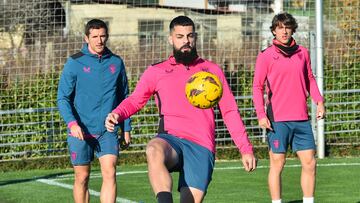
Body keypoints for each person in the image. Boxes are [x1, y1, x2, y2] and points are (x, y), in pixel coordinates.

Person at [105, 15, 256, 203]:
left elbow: (229, 111)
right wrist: (117, 113)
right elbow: (136, 100)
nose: (186, 41)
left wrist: (245, 148)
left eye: (190, 36)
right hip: (171, 139)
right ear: (171, 39)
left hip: (201, 144)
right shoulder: (157, 71)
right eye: (180, 36)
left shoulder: (212, 71)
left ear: (195, 38)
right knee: (153, 149)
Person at [252, 12, 325, 203]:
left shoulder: (303, 53)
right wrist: (261, 114)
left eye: (287, 27)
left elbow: (309, 78)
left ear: (292, 29)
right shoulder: (266, 56)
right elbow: (257, 87)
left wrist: (319, 102)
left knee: (310, 163)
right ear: (274, 31)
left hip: (301, 118)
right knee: (278, 164)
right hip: (277, 120)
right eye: (279, 27)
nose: (284, 31)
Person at [57, 19, 132, 203]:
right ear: (86, 38)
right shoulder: (74, 62)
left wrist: (126, 128)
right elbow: (62, 98)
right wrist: (72, 123)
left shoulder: (116, 62)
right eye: (95, 37)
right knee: (82, 177)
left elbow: (125, 97)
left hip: (107, 130)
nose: (99, 40)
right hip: (80, 131)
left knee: (110, 172)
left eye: (103, 36)